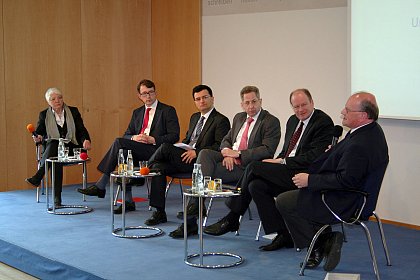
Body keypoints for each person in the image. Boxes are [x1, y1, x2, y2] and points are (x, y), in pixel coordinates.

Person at [203, 89, 334, 252]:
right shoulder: (293, 121)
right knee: (256, 186)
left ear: (312, 102)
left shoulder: (322, 122)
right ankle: (283, 234)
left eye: (304, 105)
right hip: (288, 169)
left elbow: (315, 156)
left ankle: (232, 217)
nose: (300, 110)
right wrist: (278, 160)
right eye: (296, 106)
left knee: (253, 166)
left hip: (304, 173)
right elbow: (287, 150)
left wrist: (281, 161)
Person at [276, 92, 388, 272]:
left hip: (347, 200)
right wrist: (336, 152)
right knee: (292, 196)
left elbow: (345, 180)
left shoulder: (360, 143)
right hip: (353, 194)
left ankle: (321, 245)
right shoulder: (369, 131)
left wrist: (310, 180)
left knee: (285, 201)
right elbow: (351, 168)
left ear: (363, 116)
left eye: (348, 109)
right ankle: (325, 239)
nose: (342, 111)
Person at [169, 85, 281, 238]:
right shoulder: (238, 117)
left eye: (254, 102)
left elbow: (267, 150)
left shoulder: (270, 121)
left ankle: (192, 214)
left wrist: (238, 154)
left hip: (246, 167)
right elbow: (225, 140)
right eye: (247, 103)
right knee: (205, 154)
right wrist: (227, 153)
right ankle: (196, 206)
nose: (251, 106)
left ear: (260, 101)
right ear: (242, 104)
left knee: (204, 170)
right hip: (228, 160)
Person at [77, 79, 180, 206]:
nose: (148, 96)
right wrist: (134, 138)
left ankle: (101, 184)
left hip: (156, 151)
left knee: (118, 142)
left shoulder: (167, 110)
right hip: (138, 150)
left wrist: (152, 139)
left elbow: (174, 136)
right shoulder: (137, 113)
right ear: (139, 96)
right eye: (144, 94)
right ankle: (128, 201)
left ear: (155, 92)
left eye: (151, 92)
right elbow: (127, 134)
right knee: (124, 152)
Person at [142, 85, 230, 227]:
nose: (202, 101)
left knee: (164, 147)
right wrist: (182, 146)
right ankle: (159, 212)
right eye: (198, 99)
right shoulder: (194, 117)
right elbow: (188, 139)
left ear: (212, 99)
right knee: (159, 167)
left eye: (205, 97)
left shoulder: (221, 120)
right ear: (195, 102)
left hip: (201, 162)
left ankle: (144, 170)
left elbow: (220, 147)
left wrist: (196, 151)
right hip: (184, 158)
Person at [25, 87, 92, 206]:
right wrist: (38, 137)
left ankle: (39, 177)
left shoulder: (73, 111)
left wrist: (86, 140)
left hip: (71, 148)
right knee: (55, 151)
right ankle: (57, 199)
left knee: (55, 155)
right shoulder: (44, 114)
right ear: (48, 102)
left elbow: (81, 129)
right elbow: (40, 132)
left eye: (59, 98)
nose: (57, 101)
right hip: (53, 150)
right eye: (53, 99)